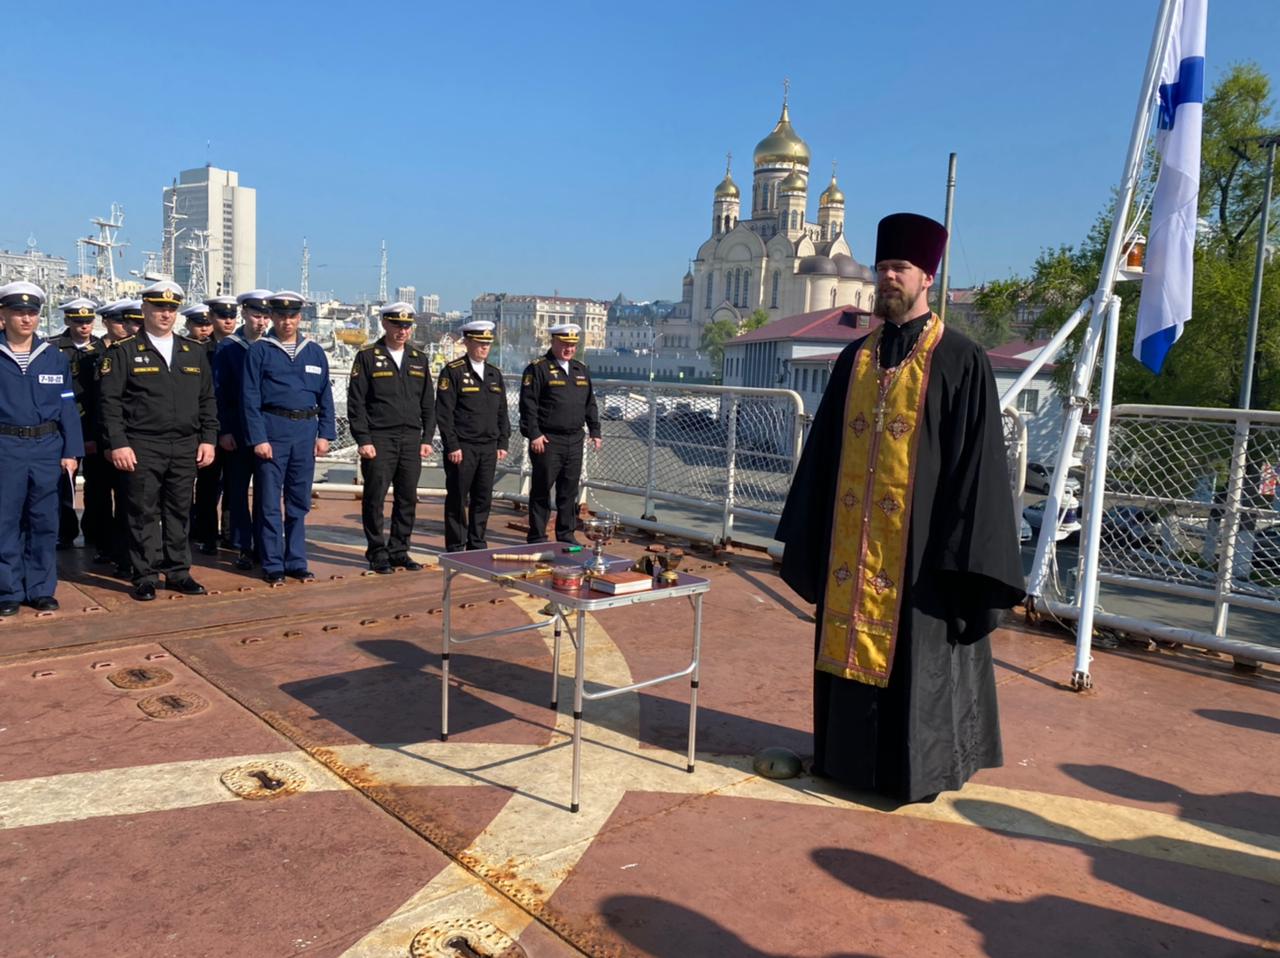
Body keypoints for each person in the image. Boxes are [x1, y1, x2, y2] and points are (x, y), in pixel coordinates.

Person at [776, 212, 1025, 804]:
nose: (888, 277)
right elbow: (823, 455)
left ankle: (915, 773)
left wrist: (960, 558)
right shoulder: (854, 359)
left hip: (921, 554)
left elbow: (978, 469)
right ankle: (844, 763)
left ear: (926, 278)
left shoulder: (961, 359)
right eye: (883, 267)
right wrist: (811, 534)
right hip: (850, 545)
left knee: (918, 661)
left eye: (901, 268)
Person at [98, 280, 218, 601]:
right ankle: (145, 575)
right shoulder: (124, 352)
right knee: (143, 511)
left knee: (179, 510)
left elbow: (207, 400)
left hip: (185, 444)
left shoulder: (193, 351)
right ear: (145, 309)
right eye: (159, 308)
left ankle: (178, 571)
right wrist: (118, 443)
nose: (165, 314)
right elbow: (109, 403)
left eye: (171, 308)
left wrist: (208, 439)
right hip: (142, 443)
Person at [0, 282, 84, 615]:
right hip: (6, 446)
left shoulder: (53, 357)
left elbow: (67, 406)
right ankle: (8, 589)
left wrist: (71, 452)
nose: (26, 319)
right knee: (5, 520)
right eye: (18, 312)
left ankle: (40, 588)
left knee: (44, 519)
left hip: (47, 448)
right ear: (3, 315)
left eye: (32, 313)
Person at [242, 290, 335, 583]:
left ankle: (296, 560)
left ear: (299, 317)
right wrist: (258, 438)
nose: (287, 321)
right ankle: (272, 563)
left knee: (298, 500)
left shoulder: (314, 351)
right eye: (281, 316)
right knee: (269, 501)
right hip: (273, 430)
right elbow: (250, 398)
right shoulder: (260, 350)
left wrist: (325, 434)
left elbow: (325, 396)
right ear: (272, 317)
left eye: (292, 316)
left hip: (305, 433)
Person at [346, 302, 436, 573]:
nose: (402, 331)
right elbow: (356, 402)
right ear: (385, 323)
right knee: (375, 497)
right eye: (397, 325)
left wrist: (427, 438)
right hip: (380, 437)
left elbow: (428, 403)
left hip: (411, 438)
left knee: (407, 498)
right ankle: (377, 551)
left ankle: (399, 550)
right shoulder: (367, 357)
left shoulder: (419, 358)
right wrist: (363, 439)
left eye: (407, 326)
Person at [518, 323, 601, 544]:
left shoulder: (580, 370)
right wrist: (534, 434)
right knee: (542, 489)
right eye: (564, 344)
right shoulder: (538, 369)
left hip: (574, 439)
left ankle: (566, 534)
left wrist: (595, 430)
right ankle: (537, 535)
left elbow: (590, 403)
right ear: (553, 342)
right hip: (548, 439)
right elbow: (528, 405)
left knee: (569, 490)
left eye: (572, 345)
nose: (569, 349)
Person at [435, 319, 510, 552]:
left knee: (483, 497)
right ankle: (456, 544)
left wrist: (503, 442)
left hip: (488, 446)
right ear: (467, 342)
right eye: (479, 342)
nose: (484, 347)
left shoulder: (494, 374)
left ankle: (477, 542)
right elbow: (444, 413)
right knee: (458, 497)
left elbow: (502, 411)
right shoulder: (453, 372)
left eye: (488, 343)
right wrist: (452, 445)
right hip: (463, 446)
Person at [213, 289, 272, 569]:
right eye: (256, 315)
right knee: (237, 491)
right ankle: (242, 545)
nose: (261, 322)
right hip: (237, 429)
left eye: (265, 316)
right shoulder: (228, 347)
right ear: (245, 314)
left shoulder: (273, 346)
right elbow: (219, 391)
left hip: (266, 430)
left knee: (266, 492)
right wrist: (224, 430)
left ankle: (264, 544)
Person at [49, 298, 106, 551]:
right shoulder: (52, 348)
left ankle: (94, 531)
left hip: (93, 424)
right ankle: (65, 532)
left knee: (96, 483)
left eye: (88, 321)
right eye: (78, 321)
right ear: (67, 321)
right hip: (63, 424)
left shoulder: (102, 348)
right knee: (64, 482)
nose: (84, 326)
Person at [96, 300, 142, 574]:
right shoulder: (113, 354)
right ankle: (121, 556)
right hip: (117, 439)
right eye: (130, 322)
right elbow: (104, 403)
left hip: (144, 440)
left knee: (139, 505)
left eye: (138, 323)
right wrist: (109, 442)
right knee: (121, 502)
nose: (134, 328)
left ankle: (142, 557)